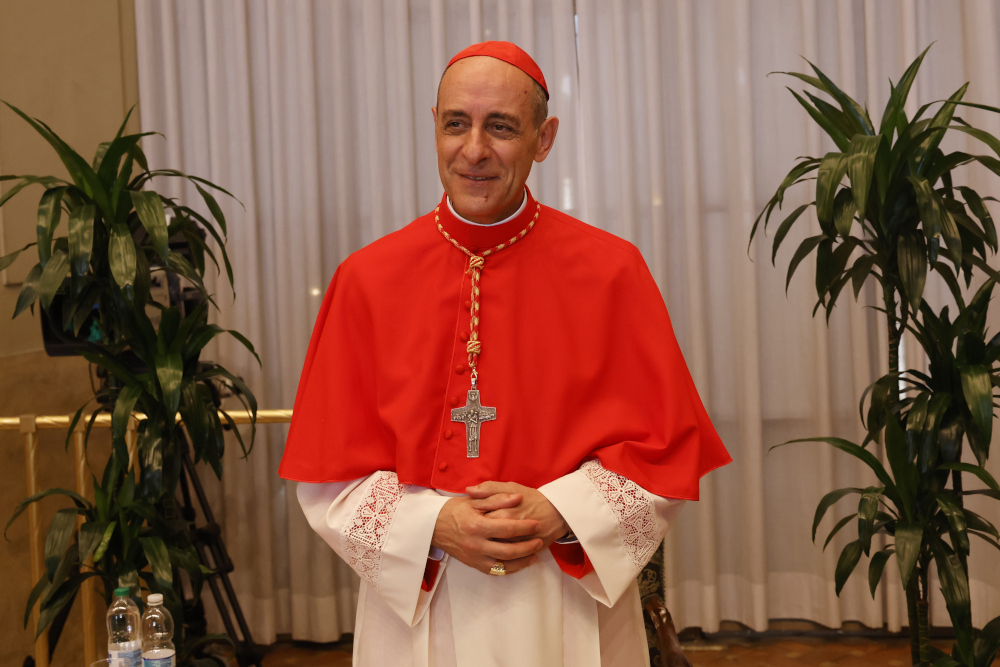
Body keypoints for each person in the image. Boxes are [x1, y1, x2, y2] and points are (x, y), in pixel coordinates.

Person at [278, 41, 731, 667]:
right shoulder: (366, 278)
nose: (474, 151)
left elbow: (664, 455)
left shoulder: (611, 271)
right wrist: (434, 523)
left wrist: (558, 511)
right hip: (419, 606)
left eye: (502, 128)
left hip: (565, 597)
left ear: (544, 140)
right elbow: (328, 480)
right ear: (432, 124)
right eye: (456, 123)